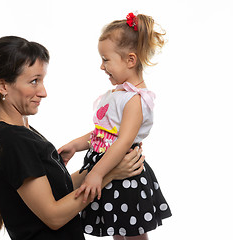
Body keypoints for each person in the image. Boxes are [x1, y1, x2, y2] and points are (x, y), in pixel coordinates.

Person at [0, 36, 145, 240]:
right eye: (34, 81)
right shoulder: (11, 141)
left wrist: (104, 169)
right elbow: (53, 216)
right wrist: (107, 176)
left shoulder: (22, 131)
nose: (43, 92)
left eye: (42, 80)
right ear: (3, 86)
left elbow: (58, 192)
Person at [58, 12, 172, 239]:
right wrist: (76, 144)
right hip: (108, 170)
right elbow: (103, 134)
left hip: (124, 173)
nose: (102, 66)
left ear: (130, 60)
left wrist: (96, 174)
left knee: (133, 232)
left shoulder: (135, 99)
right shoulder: (118, 93)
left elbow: (123, 142)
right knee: (117, 229)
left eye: (106, 59)